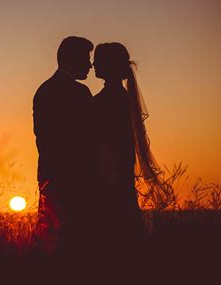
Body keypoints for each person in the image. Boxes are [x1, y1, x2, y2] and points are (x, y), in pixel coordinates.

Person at [92, 42, 173, 282]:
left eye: (99, 60)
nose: (94, 64)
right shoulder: (120, 96)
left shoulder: (110, 99)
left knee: (114, 237)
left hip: (109, 177)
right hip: (118, 175)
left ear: (108, 65)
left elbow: (107, 144)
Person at [32, 36, 98, 257]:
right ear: (72, 59)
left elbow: (42, 139)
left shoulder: (43, 90)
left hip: (50, 176)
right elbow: (90, 139)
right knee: (75, 241)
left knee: (53, 237)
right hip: (77, 179)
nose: (90, 65)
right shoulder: (80, 93)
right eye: (86, 59)